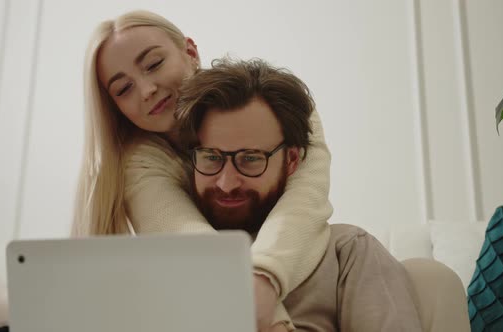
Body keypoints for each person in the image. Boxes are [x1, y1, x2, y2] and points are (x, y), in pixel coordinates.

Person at [72, 10, 332, 331]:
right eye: (123, 89)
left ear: (190, 52)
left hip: (282, 276)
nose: (147, 90)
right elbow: (195, 248)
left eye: (153, 65)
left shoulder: (276, 105)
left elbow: (304, 203)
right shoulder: (138, 162)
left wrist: (264, 277)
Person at [175, 58, 470, 332]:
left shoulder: (347, 250)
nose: (226, 183)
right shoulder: (164, 258)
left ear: (292, 161)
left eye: (250, 159)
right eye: (211, 157)